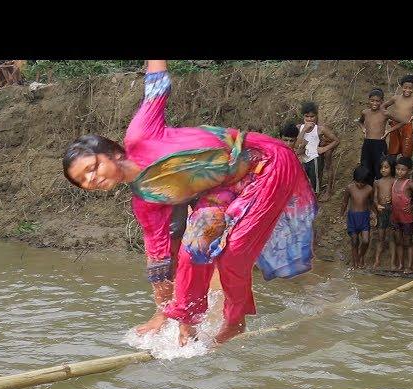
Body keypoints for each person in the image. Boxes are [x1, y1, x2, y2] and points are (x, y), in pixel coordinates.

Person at [63, 60, 317, 346]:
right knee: (193, 249)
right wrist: (164, 314)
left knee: (233, 253)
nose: (92, 179)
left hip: (266, 165)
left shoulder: (141, 135)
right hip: (222, 189)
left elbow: (156, 87)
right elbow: (158, 260)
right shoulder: (145, 201)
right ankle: (188, 323)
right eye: (83, 181)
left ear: (112, 152)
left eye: (92, 167)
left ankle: (236, 321)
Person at [358, 87, 407, 184]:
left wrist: (389, 130)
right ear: (368, 100)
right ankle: (369, 192)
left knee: (380, 168)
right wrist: (363, 128)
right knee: (366, 167)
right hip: (367, 144)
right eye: (372, 101)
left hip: (379, 144)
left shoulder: (385, 113)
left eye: (377, 101)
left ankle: (381, 190)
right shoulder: (365, 112)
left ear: (382, 101)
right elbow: (360, 121)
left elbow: (403, 122)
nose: (374, 103)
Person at [295, 102, 339, 194]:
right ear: (303, 116)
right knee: (302, 179)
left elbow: (336, 140)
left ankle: (316, 197)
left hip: (314, 158)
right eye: (307, 116)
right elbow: (296, 144)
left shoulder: (320, 129)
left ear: (316, 116)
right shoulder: (299, 127)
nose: (309, 119)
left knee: (315, 180)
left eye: (312, 117)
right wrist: (303, 130)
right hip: (302, 158)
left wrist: (325, 148)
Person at [382, 74, 413, 159]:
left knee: (407, 151)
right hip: (395, 125)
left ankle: (406, 169)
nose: (407, 90)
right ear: (401, 86)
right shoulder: (395, 98)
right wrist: (388, 117)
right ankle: (392, 168)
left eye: (410, 88)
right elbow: (383, 106)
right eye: (405, 87)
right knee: (393, 151)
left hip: (407, 126)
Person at [391, 156, 413, 272]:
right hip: (395, 217)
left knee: (408, 241)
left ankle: (409, 266)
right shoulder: (394, 182)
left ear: (409, 171)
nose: (400, 172)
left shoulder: (409, 184)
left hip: (407, 218)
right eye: (398, 169)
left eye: (403, 170)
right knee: (398, 241)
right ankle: (400, 265)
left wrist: (412, 207)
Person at [340, 166, 374, 269]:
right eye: (358, 182)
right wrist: (341, 214)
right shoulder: (350, 187)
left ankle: (361, 255)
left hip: (364, 217)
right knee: (354, 240)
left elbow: (371, 203)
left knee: (366, 241)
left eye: (363, 183)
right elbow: (345, 202)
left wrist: (373, 213)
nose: (360, 185)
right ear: (354, 179)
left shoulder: (369, 189)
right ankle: (355, 263)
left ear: (367, 182)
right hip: (352, 217)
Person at [373, 155, 397, 269]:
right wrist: (377, 205)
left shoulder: (395, 181)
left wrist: (392, 199)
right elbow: (375, 197)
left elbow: (398, 195)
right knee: (380, 237)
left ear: (392, 168)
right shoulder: (377, 182)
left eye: (386, 167)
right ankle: (377, 260)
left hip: (392, 210)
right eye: (382, 167)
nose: (383, 170)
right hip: (382, 210)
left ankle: (393, 262)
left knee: (392, 237)